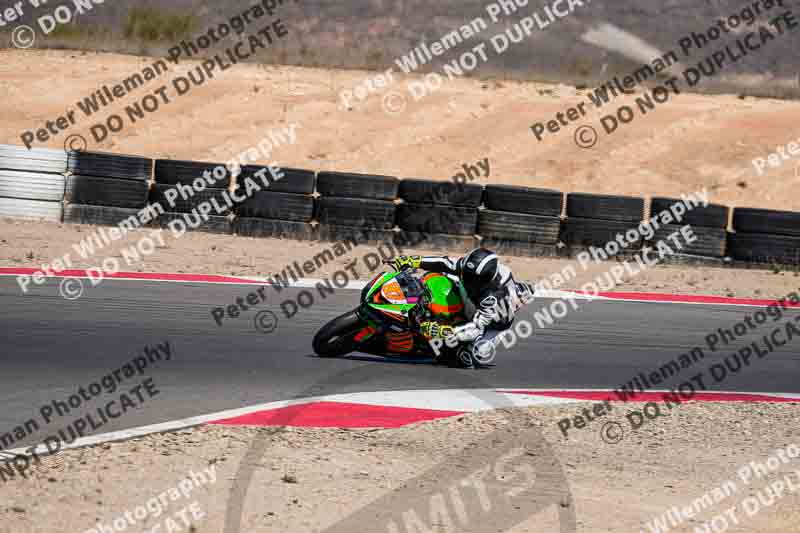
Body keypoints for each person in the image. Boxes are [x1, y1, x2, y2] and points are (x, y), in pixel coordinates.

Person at [393, 248, 535, 367]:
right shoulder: (469, 270)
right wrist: (414, 261)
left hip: (492, 324)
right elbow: (444, 263)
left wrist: (444, 331)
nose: (468, 280)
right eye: (466, 275)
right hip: (475, 299)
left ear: (485, 280)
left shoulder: (494, 298)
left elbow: (476, 327)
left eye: (472, 279)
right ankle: (413, 301)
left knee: (469, 356)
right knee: (440, 276)